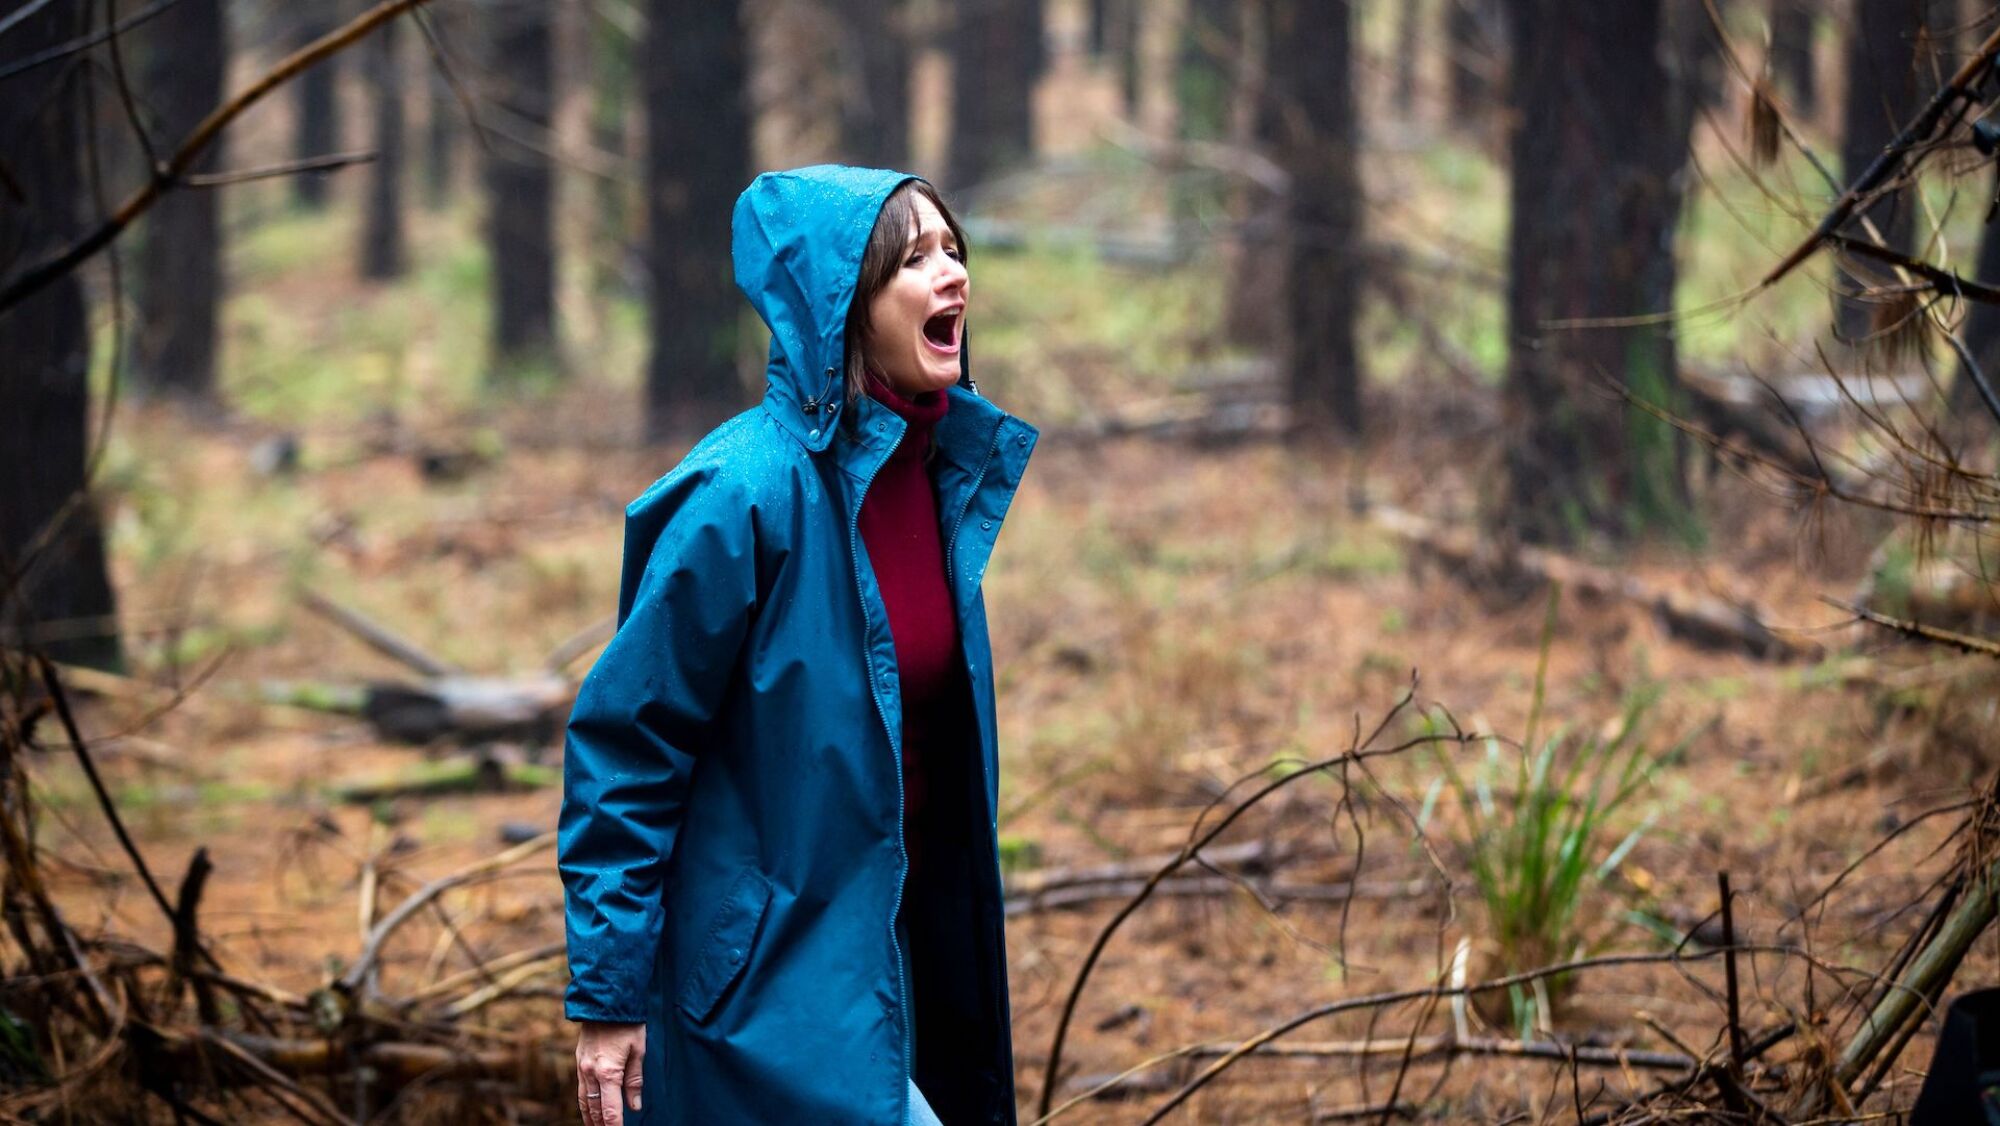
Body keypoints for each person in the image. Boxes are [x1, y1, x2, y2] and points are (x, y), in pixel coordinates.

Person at [559, 164, 1037, 1125]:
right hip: (766, 981)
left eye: (955, 251)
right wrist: (609, 994)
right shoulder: (741, 494)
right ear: (844, 307)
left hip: (901, 946)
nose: (952, 277)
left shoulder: (943, 477)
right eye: (914, 259)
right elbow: (626, 750)